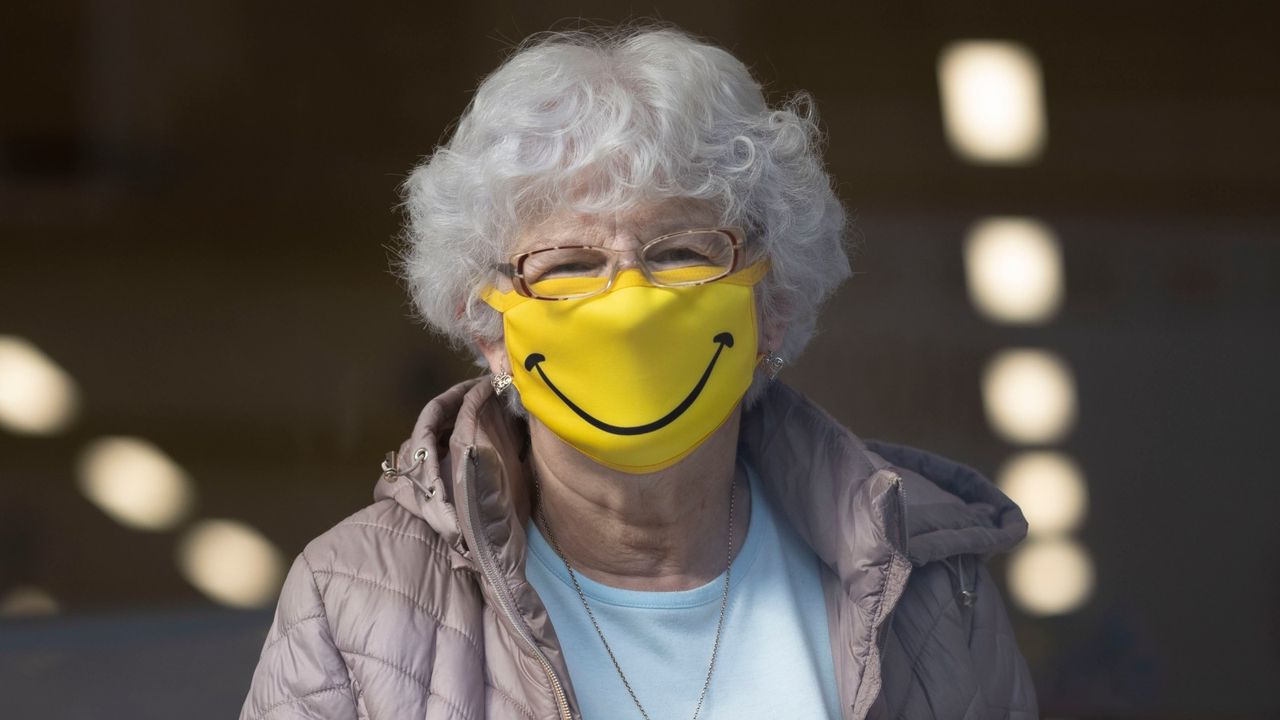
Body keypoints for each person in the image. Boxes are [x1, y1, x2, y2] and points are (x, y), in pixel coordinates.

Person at [239, 25, 1038, 720]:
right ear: (489, 332)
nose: (630, 305)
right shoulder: (354, 601)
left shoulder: (929, 588)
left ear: (775, 306)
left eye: (683, 252)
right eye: (569, 265)